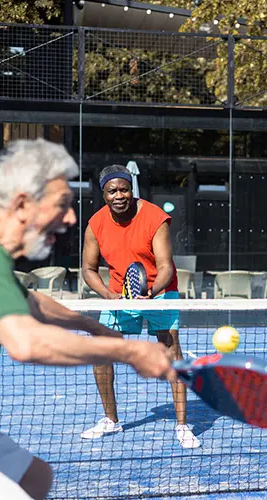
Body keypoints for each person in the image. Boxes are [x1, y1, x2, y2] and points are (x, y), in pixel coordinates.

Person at [0, 139, 177, 500]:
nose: (71, 218)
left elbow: (31, 303)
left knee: (36, 477)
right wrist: (130, 352)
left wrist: (91, 325)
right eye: (61, 205)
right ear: (23, 203)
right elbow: (27, 343)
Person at [81, 164, 198, 449]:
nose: (119, 195)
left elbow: (166, 267)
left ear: (131, 190)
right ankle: (111, 420)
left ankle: (183, 426)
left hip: (159, 291)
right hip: (119, 294)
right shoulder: (95, 224)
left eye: (124, 189)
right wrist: (109, 295)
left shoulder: (155, 218)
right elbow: (88, 269)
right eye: (112, 191)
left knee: (172, 353)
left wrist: (151, 292)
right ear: (104, 194)